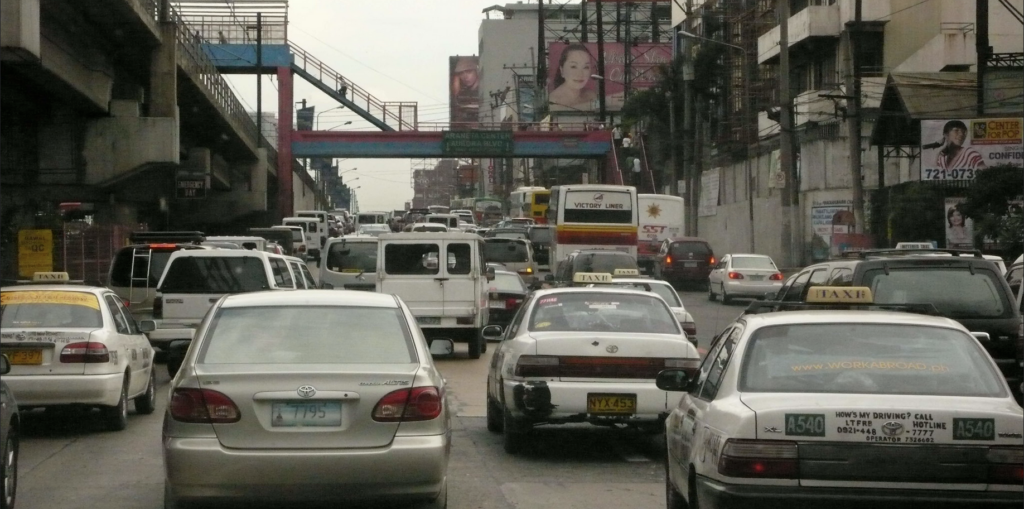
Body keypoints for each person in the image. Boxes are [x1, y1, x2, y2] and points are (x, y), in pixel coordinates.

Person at [548, 44, 598, 111]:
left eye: (586, 67)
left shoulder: (591, 96)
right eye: (573, 67)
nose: (580, 74)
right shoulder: (554, 101)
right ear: (562, 70)